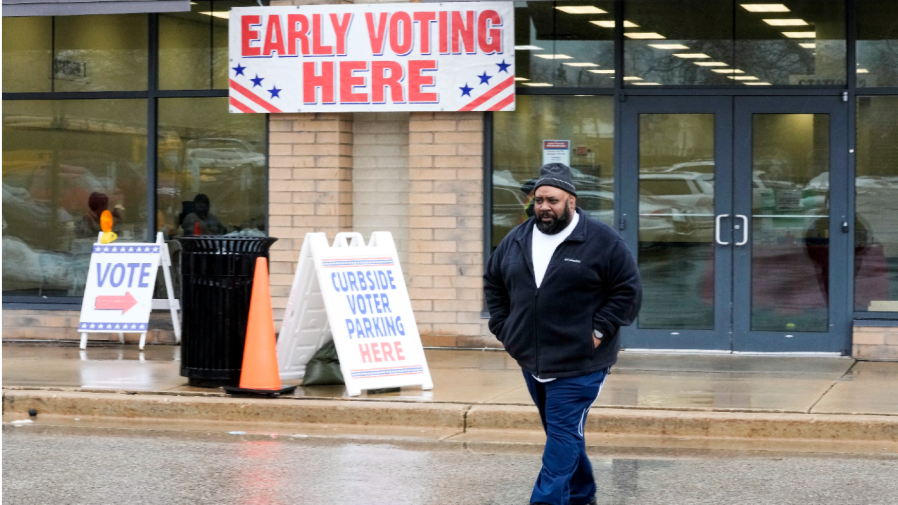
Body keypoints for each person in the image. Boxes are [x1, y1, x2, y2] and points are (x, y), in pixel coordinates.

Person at [484, 162, 642, 505]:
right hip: (533, 359)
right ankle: (582, 495)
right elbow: (494, 282)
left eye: (552, 200)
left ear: (571, 201)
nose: (544, 207)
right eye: (539, 200)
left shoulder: (602, 241)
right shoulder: (518, 238)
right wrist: (504, 327)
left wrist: (598, 330)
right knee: (563, 434)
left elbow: (627, 291)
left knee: (562, 435)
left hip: (580, 362)